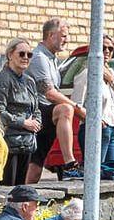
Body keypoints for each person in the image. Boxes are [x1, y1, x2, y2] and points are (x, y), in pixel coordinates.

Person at [27, 18, 84, 181]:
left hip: (46, 114)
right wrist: (78, 108)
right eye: (64, 36)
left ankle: (25, 199)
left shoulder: (51, 58)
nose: (67, 40)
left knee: (35, 167)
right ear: (51, 35)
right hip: (37, 112)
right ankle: (69, 164)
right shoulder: (39, 57)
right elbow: (49, 93)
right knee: (66, 109)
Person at [70, 35, 114, 180]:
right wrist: (95, 120)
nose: (107, 51)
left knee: (111, 174)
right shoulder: (87, 74)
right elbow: (75, 105)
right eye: (103, 48)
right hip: (95, 129)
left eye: (111, 48)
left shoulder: (112, 73)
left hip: (111, 129)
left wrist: (112, 80)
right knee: (96, 175)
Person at [0, 39, 43, 185]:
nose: (26, 57)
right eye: (21, 53)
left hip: (27, 141)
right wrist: (23, 123)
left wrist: (37, 122)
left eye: (29, 54)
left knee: (21, 186)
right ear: (10, 55)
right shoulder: (2, 79)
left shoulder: (29, 81)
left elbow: (36, 108)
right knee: (9, 185)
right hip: (9, 141)